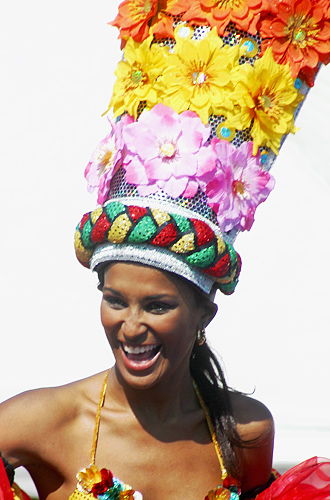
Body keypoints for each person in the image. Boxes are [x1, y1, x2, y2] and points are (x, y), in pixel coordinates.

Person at [1, 1, 330, 499]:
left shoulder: (246, 434)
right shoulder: (41, 422)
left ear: (204, 312)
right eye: (115, 300)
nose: (131, 326)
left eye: (157, 305)